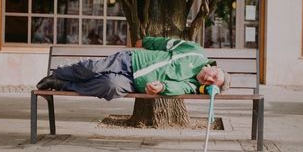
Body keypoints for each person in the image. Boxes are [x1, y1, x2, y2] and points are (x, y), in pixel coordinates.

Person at [37, 36, 230, 100]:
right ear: (214, 67)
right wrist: (145, 41)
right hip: (132, 60)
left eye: (213, 82)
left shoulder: (192, 85)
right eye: (215, 75)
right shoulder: (196, 52)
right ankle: (59, 74)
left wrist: (162, 88)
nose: (210, 78)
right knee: (94, 68)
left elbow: (177, 88)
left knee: (110, 85)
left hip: (133, 82)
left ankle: (62, 85)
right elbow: (167, 43)